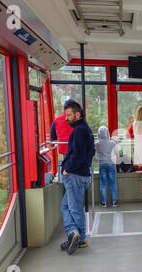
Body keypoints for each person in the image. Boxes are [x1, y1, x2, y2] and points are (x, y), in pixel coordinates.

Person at [59, 101, 95, 255]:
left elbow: (78, 155)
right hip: (82, 174)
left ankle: (77, 236)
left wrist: (67, 169)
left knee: (74, 208)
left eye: (68, 115)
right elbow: (91, 152)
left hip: (75, 175)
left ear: (77, 114)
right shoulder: (85, 129)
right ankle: (75, 234)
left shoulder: (79, 131)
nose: (66, 118)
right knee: (66, 206)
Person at [95, 126, 119, 208]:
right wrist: (117, 141)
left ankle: (104, 203)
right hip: (112, 164)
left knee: (103, 184)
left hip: (102, 164)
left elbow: (92, 151)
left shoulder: (97, 144)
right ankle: (114, 202)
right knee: (113, 183)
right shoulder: (112, 143)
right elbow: (118, 151)